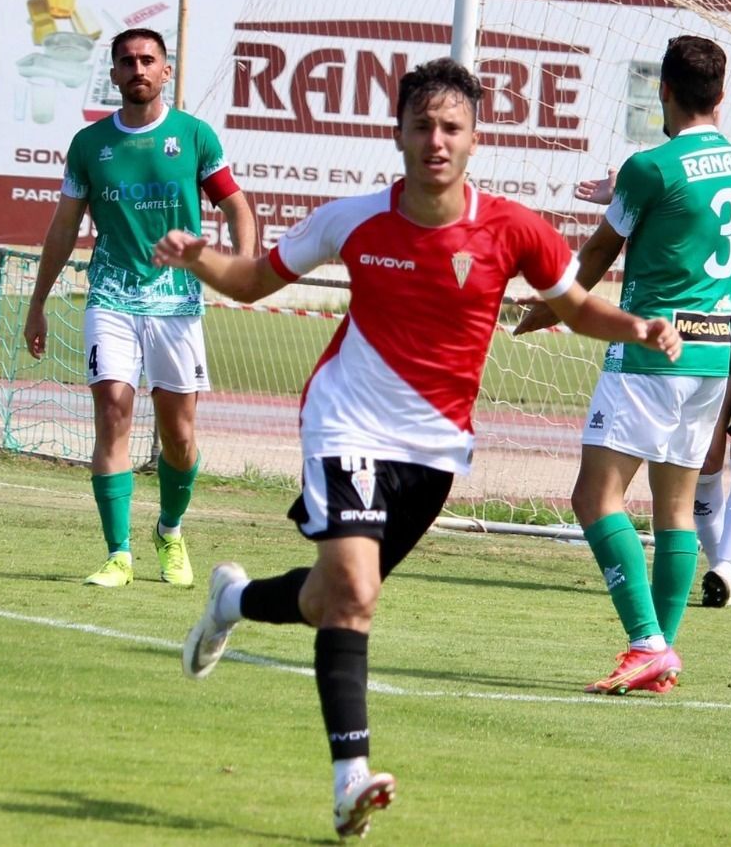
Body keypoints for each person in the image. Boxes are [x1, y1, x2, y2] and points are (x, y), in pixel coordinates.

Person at [153, 58, 680, 839]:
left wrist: (639, 325)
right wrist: (200, 256)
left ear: (475, 139)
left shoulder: (514, 228)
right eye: (423, 125)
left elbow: (573, 304)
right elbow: (256, 279)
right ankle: (349, 779)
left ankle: (231, 600)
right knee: (357, 593)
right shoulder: (354, 219)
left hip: (436, 451)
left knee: (332, 596)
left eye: (452, 127)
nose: (436, 139)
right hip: (347, 422)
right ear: (397, 133)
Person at [514, 36, 731, 695]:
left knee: (595, 496)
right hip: (712, 353)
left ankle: (647, 641)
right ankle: (660, 653)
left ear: (665, 91)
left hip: (651, 352)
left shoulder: (650, 168)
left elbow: (595, 254)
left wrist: (551, 307)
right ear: (721, 93)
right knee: (674, 509)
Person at [570, 63, 731, 610]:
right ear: (729, 101)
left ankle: (716, 577)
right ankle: (707, 583)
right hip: (716, 339)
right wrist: (623, 190)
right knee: (695, 480)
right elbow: (674, 200)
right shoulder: (730, 168)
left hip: (725, 340)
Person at [24, 28, 256, 589]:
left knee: (179, 436)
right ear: (114, 73)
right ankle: (118, 554)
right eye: (127, 61)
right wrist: (38, 303)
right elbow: (62, 228)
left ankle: (170, 531)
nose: (138, 69)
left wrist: (245, 264)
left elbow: (236, 204)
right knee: (113, 413)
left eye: (148, 60)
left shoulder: (193, 136)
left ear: (166, 71)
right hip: (110, 296)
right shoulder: (89, 145)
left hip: (177, 303)